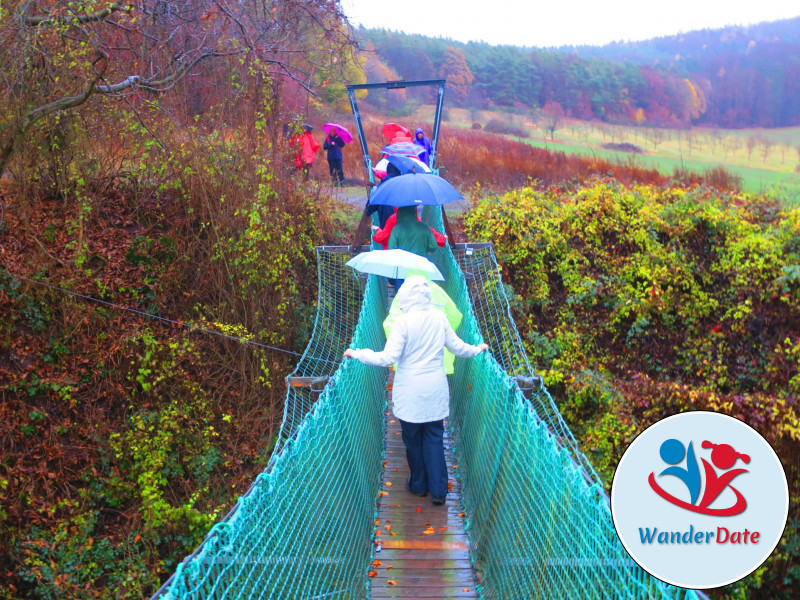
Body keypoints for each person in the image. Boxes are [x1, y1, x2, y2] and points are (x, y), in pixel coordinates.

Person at [344, 276, 489, 504]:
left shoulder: (403, 322)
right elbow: (458, 347)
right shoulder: (439, 318)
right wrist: (477, 349)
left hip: (409, 392)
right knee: (434, 438)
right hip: (435, 390)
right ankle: (439, 491)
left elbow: (388, 357)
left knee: (412, 441)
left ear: (406, 296)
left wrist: (358, 353)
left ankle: (419, 485)